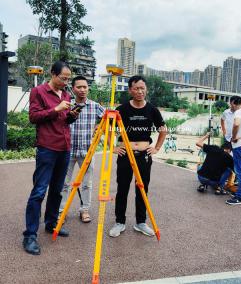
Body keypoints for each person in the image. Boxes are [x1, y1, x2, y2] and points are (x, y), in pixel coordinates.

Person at [23, 61, 78, 255]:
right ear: (52, 74)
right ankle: (30, 235)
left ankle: (51, 224)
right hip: (47, 148)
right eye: (63, 78)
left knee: (57, 190)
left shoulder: (65, 94)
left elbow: (64, 120)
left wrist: (72, 114)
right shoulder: (38, 91)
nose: (66, 82)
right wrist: (56, 109)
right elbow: (33, 117)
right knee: (39, 191)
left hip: (64, 147)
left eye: (68, 79)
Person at [109, 75, 167, 238]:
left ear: (146, 89)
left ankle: (140, 222)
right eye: (136, 88)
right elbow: (107, 129)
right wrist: (112, 147)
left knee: (142, 188)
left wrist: (156, 148)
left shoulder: (152, 110)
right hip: (125, 154)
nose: (140, 91)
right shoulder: (122, 109)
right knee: (122, 188)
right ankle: (119, 222)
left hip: (144, 155)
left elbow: (163, 129)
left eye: (142, 88)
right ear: (130, 90)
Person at [59, 76, 105, 222]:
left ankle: (84, 210)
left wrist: (100, 127)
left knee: (87, 184)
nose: (82, 90)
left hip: (87, 151)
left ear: (88, 88)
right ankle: (61, 211)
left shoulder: (94, 106)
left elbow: (110, 119)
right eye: (79, 87)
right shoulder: (67, 105)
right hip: (67, 150)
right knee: (64, 183)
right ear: (73, 88)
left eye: (85, 87)